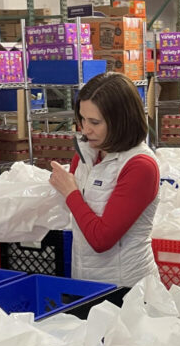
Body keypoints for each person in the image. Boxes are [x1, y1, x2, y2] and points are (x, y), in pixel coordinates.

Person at [48, 72, 160, 291]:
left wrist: (70, 192)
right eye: (82, 119)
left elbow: (102, 239)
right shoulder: (86, 154)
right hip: (85, 281)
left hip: (127, 289)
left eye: (95, 122)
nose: (85, 129)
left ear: (121, 120)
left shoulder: (140, 166)